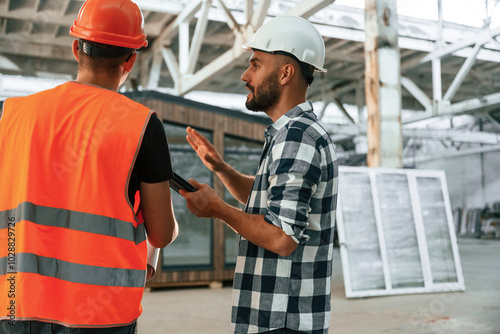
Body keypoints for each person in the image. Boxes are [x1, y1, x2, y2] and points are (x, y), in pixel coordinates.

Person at [0, 0, 178, 333]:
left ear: (75, 47)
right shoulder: (142, 125)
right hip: (99, 314)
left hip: (15, 303)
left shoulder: (10, 114)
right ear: (131, 59)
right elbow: (161, 234)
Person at [181, 15, 338, 334]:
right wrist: (221, 169)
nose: (244, 75)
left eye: (255, 64)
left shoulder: (297, 137)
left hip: (283, 320)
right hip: (279, 317)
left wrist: (217, 209)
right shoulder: (289, 133)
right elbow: (275, 200)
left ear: (285, 73)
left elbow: (282, 237)